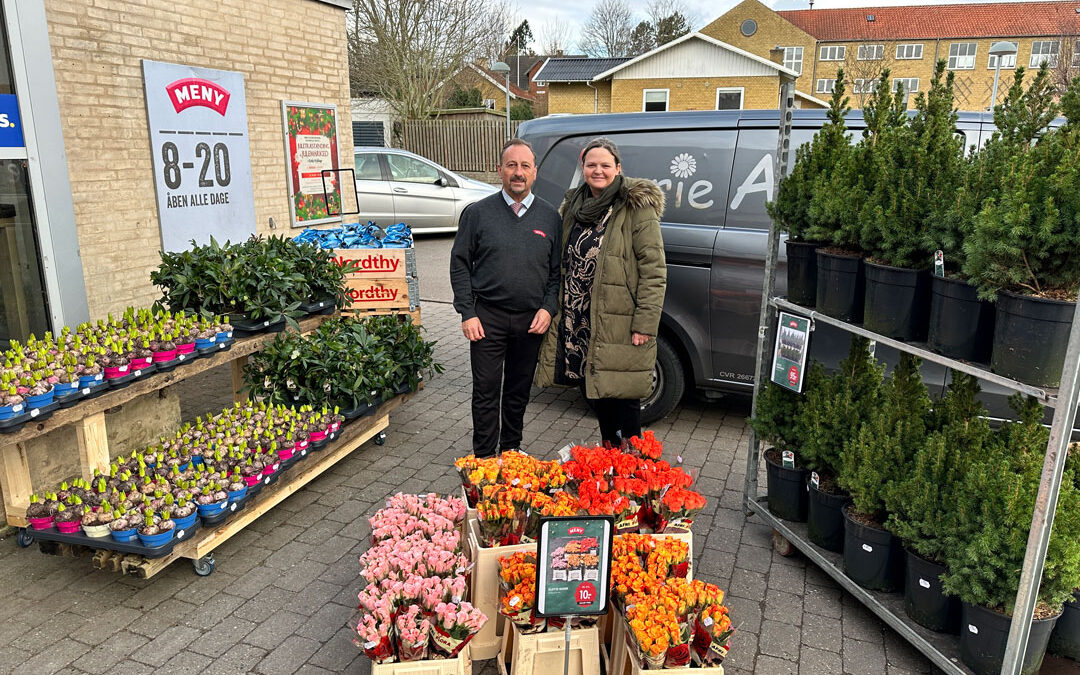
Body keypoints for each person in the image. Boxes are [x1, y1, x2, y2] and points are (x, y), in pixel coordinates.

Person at [535, 137, 667, 446]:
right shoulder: (573, 206)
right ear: (582, 168)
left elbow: (654, 269)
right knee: (599, 390)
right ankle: (609, 465)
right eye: (591, 165)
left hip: (618, 317)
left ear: (618, 169)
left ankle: (636, 474)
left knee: (626, 393)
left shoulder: (635, 206)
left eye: (605, 165)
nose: (598, 171)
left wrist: (644, 324)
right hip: (581, 317)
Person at [450, 138, 561, 458]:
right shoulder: (477, 214)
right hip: (487, 319)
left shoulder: (550, 217)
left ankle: (511, 449)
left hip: (531, 321)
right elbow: (459, 264)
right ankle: (484, 457)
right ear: (499, 170)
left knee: (517, 391)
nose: (518, 172)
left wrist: (548, 308)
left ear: (535, 172)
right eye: (511, 165)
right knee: (485, 392)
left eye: (525, 166)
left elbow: (556, 273)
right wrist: (467, 312)